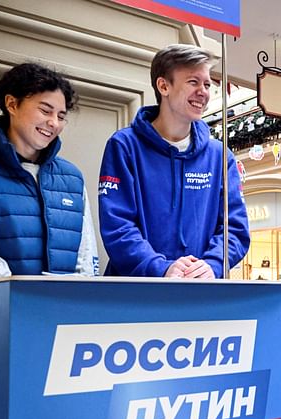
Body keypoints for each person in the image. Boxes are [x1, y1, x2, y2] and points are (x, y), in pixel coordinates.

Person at [0, 62, 98, 368]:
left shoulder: (72, 178)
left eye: (61, 115)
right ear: (11, 103)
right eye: (45, 110)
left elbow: (86, 256)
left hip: (62, 331)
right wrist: (27, 313)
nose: (53, 122)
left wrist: (75, 313)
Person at [98, 44, 249, 278]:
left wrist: (213, 264)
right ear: (163, 85)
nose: (203, 92)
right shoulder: (124, 146)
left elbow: (235, 229)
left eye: (207, 84)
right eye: (193, 82)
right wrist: (161, 268)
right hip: (133, 296)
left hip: (196, 295)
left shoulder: (220, 157)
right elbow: (118, 226)